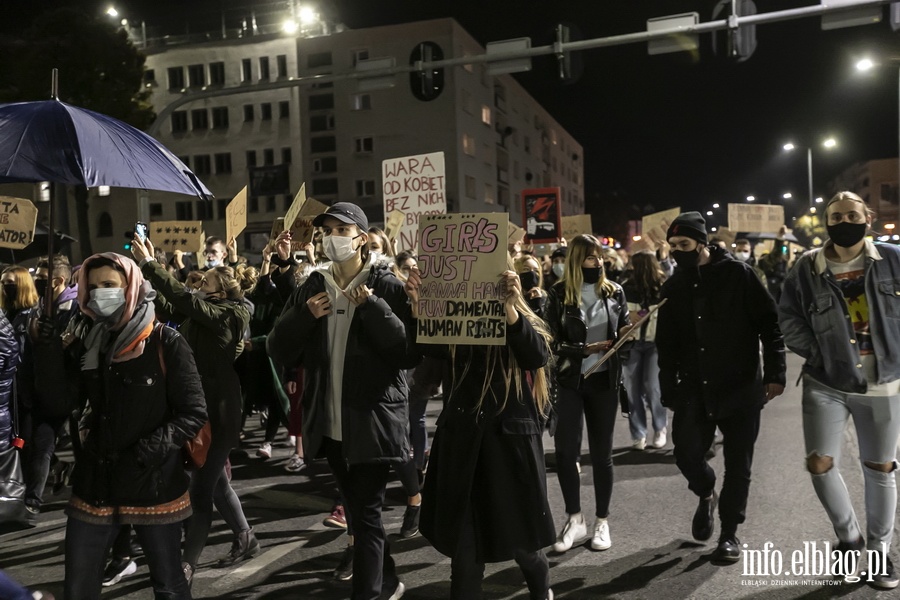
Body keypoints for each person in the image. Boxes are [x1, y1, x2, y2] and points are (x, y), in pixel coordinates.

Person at [32, 252, 206, 599]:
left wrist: (145, 454)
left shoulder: (165, 342)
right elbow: (59, 402)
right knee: (79, 588)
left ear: (131, 286)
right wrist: (47, 348)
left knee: (169, 585)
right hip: (96, 483)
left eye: (109, 285)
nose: (100, 293)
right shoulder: (85, 340)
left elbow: (192, 412)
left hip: (152, 484)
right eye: (93, 286)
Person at [267, 202, 416, 600]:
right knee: (359, 514)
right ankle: (388, 580)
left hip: (371, 419)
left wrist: (373, 308)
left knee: (365, 515)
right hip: (329, 422)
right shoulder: (313, 286)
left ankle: (368, 593)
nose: (331, 237)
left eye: (340, 230)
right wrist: (304, 318)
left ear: (362, 239)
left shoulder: (387, 286)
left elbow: (407, 353)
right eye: (325, 230)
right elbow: (278, 348)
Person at [406, 264, 556, 600]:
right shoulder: (454, 320)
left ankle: (541, 591)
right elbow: (421, 352)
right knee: (465, 557)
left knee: (524, 547)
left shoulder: (520, 317)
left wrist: (509, 308)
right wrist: (418, 308)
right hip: (464, 449)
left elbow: (536, 355)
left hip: (508, 451)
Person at [778, 191, 900, 588]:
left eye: (852, 214)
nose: (844, 221)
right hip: (826, 382)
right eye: (836, 216)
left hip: (883, 382)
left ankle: (880, 551)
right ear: (826, 222)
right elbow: (789, 316)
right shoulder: (807, 267)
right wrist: (818, 353)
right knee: (819, 463)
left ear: (867, 217)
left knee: (879, 467)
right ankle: (849, 538)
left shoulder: (892, 259)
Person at [656, 211, 785, 562]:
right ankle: (705, 490)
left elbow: (768, 323)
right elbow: (665, 343)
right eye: (673, 246)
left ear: (702, 242)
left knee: (739, 463)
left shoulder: (738, 274)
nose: (678, 251)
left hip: (739, 384)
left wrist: (775, 372)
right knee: (685, 453)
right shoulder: (674, 285)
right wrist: (667, 384)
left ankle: (729, 534)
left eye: (684, 244)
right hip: (694, 387)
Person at [131, 237, 257, 580]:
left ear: (221, 291)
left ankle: (187, 564)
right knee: (215, 482)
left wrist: (151, 265)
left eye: (206, 282)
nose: (199, 284)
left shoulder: (230, 314)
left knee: (201, 487)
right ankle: (246, 537)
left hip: (221, 412)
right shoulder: (205, 312)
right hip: (195, 409)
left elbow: (184, 299)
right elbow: (172, 305)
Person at [545, 234, 632, 553]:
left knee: (601, 455)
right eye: (591, 257)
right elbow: (550, 341)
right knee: (567, 454)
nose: (599, 262)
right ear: (576, 259)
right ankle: (574, 518)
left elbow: (622, 333)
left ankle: (602, 522)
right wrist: (583, 350)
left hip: (604, 381)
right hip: (570, 380)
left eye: (600, 257)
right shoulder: (557, 293)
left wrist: (627, 335)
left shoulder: (615, 291)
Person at [620, 251, 668, 450]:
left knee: (653, 387)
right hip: (631, 343)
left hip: (655, 343)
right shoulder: (624, 288)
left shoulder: (663, 287)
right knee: (632, 389)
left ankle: (660, 428)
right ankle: (638, 433)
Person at [1, 267, 39, 519]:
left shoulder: (31, 316)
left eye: (11, 283)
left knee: (28, 445)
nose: (5, 287)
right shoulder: (6, 314)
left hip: (26, 393)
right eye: (3, 283)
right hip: (10, 394)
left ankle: (29, 498)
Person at [515, 254, 548, 319]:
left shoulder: (544, 297)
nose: (532, 273)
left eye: (536, 271)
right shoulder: (513, 296)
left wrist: (537, 303)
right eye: (526, 269)